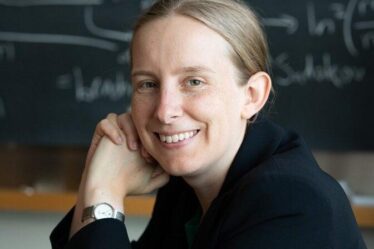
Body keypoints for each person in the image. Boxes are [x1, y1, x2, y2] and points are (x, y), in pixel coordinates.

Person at [50, 0, 367, 248]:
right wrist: (96, 176)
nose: (165, 111)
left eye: (194, 81)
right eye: (148, 84)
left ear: (252, 95)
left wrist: (104, 192)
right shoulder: (188, 183)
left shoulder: (292, 203)